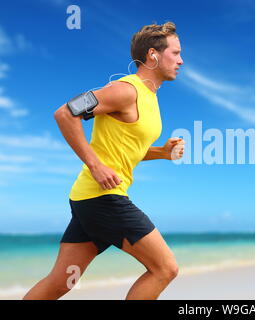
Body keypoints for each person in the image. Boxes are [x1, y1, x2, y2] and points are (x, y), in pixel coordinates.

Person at [23, 21, 185, 300]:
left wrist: (162, 152)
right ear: (153, 55)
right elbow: (65, 113)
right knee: (164, 269)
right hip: (103, 198)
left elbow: (127, 150)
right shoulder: (125, 90)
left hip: (89, 199)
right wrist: (95, 166)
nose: (181, 61)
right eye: (176, 52)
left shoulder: (149, 97)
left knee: (61, 282)